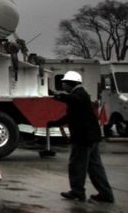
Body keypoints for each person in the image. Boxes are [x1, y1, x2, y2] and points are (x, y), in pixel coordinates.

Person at [47, 70, 114, 203]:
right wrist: (55, 123)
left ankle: (77, 192)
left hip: (83, 138)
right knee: (95, 167)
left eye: (64, 83)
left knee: (77, 165)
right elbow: (70, 116)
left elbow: (72, 100)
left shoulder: (79, 95)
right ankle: (106, 194)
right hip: (91, 138)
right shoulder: (80, 95)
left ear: (70, 83)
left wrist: (55, 95)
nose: (63, 86)